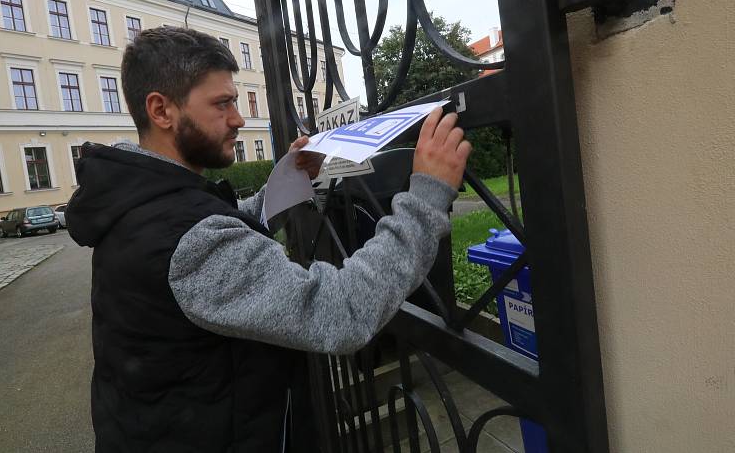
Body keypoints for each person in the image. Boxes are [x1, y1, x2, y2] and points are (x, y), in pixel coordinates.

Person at [66, 26, 471, 453]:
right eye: (222, 104)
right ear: (162, 111)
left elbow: (220, 228)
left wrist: (287, 179)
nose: (239, 118)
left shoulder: (137, 203)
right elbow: (341, 311)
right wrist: (427, 195)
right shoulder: (187, 239)